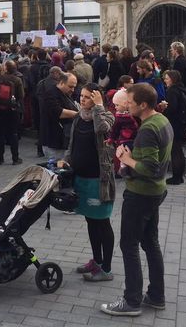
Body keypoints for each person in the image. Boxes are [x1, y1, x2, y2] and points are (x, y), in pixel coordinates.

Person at [101, 83, 172, 317]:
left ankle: (131, 301)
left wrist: (126, 159)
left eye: (130, 102)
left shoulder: (148, 129)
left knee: (129, 245)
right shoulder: (162, 120)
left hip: (141, 192)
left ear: (143, 104)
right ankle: (156, 296)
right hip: (154, 192)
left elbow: (150, 168)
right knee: (150, 243)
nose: (126, 106)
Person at [58, 84, 115, 282]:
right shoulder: (78, 117)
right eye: (81, 96)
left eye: (88, 97)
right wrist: (66, 159)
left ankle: (106, 268)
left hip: (98, 180)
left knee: (102, 222)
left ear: (97, 99)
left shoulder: (106, 116)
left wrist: (99, 107)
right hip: (81, 178)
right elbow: (72, 144)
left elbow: (103, 129)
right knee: (91, 221)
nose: (82, 100)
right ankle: (96, 261)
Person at [159, 70, 186, 185]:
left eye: (167, 78)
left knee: (175, 151)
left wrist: (163, 108)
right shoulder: (182, 88)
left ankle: (177, 177)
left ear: (172, 79)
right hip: (182, 123)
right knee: (178, 150)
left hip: (175, 124)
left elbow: (172, 108)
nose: (165, 80)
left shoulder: (172, 91)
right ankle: (179, 175)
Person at [0, 60, 24, 165]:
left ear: (5, 68)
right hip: (12, 110)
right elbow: (21, 96)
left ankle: (0, 158)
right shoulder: (17, 80)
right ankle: (15, 158)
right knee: (13, 133)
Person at [40, 73, 78, 160]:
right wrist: (78, 114)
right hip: (54, 141)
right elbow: (58, 112)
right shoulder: (50, 94)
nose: (73, 90)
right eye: (70, 86)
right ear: (61, 83)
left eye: (74, 87)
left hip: (62, 140)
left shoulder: (64, 93)